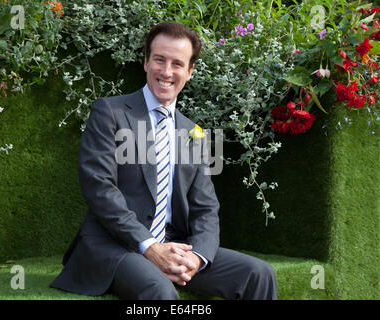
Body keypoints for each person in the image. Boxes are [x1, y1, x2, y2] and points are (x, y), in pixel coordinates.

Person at [50, 22, 277, 300]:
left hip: (175, 246)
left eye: (177, 64)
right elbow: (100, 188)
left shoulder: (196, 134)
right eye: (159, 59)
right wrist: (149, 246)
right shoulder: (109, 112)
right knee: (159, 290)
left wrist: (198, 257)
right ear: (146, 62)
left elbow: (205, 209)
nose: (166, 72)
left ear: (190, 72)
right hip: (114, 246)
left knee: (259, 273)